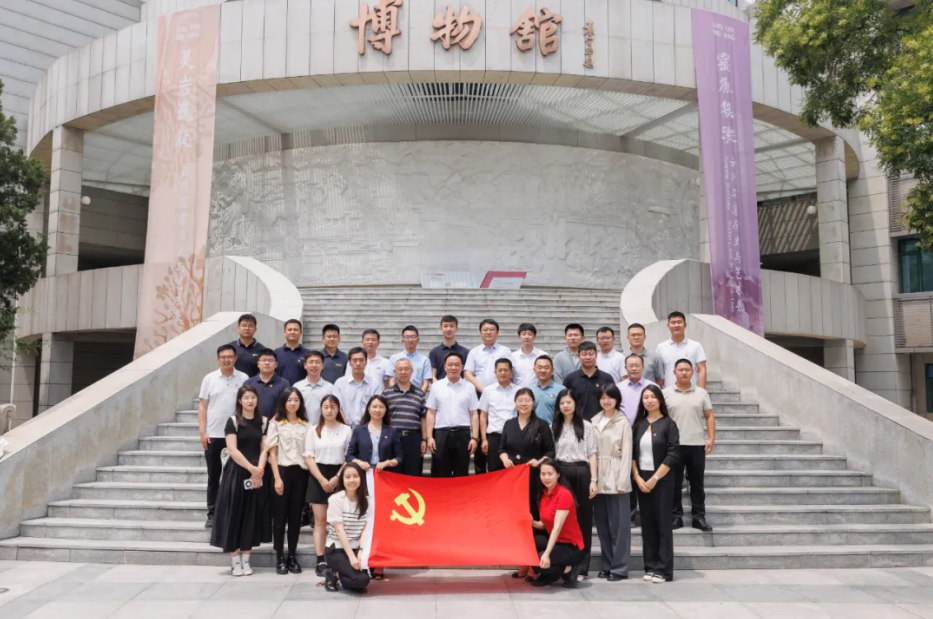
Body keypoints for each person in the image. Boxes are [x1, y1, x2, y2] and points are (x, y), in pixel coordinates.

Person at [209, 385, 271, 576]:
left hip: (257, 473)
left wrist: (259, 471)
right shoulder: (233, 421)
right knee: (234, 513)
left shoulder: (263, 421)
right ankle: (235, 560)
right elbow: (232, 450)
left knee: (251, 515)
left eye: (253, 397)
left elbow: (264, 449)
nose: (250, 401)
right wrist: (251, 468)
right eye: (246, 398)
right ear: (240, 401)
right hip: (236, 473)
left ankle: (246, 559)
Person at [632, 384, 679, 583]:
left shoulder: (668, 424)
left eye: (653, 397)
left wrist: (654, 479)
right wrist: (637, 477)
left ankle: (664, 569)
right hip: (642, 480)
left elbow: (673, 455)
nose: (649, 400)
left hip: (662, 480)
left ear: (660, 400)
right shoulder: (638, 424)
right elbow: (633, 454)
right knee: (647, 524)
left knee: (662, 524)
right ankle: (650, 566)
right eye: (646, 397)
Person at [198, 344, 248, 528]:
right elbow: (203, 406)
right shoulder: (209, 378)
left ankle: (235, 511)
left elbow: (247, 404)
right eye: (223, 357)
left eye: (230, 357)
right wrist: (203, 432)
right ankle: (212, 514)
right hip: (214, 434)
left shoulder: (244, 378)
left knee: (238, 475)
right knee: (214, 476)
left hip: (236, 434)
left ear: (235, 358)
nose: (227, 360)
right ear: (218, 359)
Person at [664, 359, 716, 532]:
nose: (684, 372)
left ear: (693, 372)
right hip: (674, 445)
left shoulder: (701, 393)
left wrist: (711, 438)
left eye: (687, 369)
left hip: (696, 445)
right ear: (674, 372)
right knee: (674, 483)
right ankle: (675, 517)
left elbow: (709, 416)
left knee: (697, 483)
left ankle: (698, 517)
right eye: (680, 370)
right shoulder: (665, 393)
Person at [551, 390, 597, 579]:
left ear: (575, 404)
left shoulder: (587, 426)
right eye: (562, 403)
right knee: (563, 520)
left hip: (582, 472)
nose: (565, 406)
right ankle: (563, 563)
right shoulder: (553, 426)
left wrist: (594, 480)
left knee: (583, 520)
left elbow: (592, 454)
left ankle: (582, 567)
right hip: (561, 474)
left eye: (569, 402)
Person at [304, 394, 352, 577]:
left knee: (340, 520)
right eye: (326, 407)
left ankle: (341, 556)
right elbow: (309, 457)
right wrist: (322, 479)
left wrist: (337, 478)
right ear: (321, 409)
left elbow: (349, 457)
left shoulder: (346, 430)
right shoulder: (313, 430)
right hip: (318, 476)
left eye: (333, 407)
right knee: (320, 521)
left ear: (338, 409)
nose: (329, 410)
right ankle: (320, 560)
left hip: (340, 476)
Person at [592, 383, 633, 581]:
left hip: (616, 475)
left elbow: (627, 453)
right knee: (602, 525)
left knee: (619, 526)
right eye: (602, 397)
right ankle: (607, 564)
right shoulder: (594, 420)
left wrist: (623, 481)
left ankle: (620, 568)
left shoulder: (623, 422)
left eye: (610, 397)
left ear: (617, 399)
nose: (606, 401)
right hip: (598, 477)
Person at [267, 388, 310, 575]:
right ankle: (279, 556)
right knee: (279, 518)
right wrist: (277, 478)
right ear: (283, 403)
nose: (293, 403)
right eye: (289, 400)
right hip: (282, 473)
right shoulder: (276, 425)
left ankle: (292, 555)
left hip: (300, 474)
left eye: (296, 400)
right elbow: (272, 454)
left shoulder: (306, 426)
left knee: (295, 518)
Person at [500, 388, 555, 518]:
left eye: (527, 400)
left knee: (533, 506)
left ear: (533, 403)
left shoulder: (542, 425)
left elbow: (550, 451)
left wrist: (539, 461)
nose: (523, 404)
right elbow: (502, 449)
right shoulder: (509, 424)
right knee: (513, 506)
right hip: (513, 474)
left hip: (534, 474)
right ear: (515, 403)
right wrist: (505, 459)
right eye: (520, 400)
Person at [530, 461, 586, 588]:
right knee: (530, 546)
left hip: (572, 546)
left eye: (550, 474)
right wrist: (531, 522)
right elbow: (544, 524)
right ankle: (551, 573)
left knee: (537, 561)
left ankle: (569, 569)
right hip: (557, 542)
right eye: (543, 474)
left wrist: (547, 554)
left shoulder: (564, 494)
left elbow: (556, 528)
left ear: (558, 474)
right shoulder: (544, 494)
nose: (546, 477)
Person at [465, 319, 511, 474]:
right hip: (480, 394)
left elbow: (509, 371)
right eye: (485, 329)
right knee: (480, 431)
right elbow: (468, 374)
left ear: (497, 332)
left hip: (502, 393)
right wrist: (485, 390)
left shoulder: (505, 351)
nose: (488, 332)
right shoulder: (474, 352)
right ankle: (480, 472)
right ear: (480, 332)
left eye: (492, 329)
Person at [616, 354, 656, 526]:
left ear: (643, 367)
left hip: (648, 435)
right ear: (625, 368)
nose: (633, 368)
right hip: (625, 437)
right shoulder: (618, 388)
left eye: (637, 365)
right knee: (628, 475)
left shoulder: (652, 387)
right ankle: (630, 515)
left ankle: (649, 515)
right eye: (630, 365)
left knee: (647, 472)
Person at [426, 352, 479, 478]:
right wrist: (429, 437)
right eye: (450, 364)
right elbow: (431, 413)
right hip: (441, 434)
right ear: (445, 367)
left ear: (462, 367)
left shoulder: (469, 387)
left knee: (461, 472)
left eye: (456, 365)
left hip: (463, 434)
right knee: (440, 472)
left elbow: (474, 414)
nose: (453, 367)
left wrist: (475, 438)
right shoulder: (436, 387)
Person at [323, 462, 372, 593]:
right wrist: (351, 557)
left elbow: (365, 530)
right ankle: (333, 573)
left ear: (361, 478)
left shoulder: (367, 501)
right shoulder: (336, 499)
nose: (352, 480)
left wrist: (361, 551)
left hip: (356, 547)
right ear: (342, 480)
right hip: (336, 549)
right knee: (361, 580)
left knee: (365, 578)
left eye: (355, 476)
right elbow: (340, 531)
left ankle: (341, 574)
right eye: (348, 477)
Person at [383, 358, 427, 476]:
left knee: (413, 473)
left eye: (406, 369)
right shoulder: (387, 393)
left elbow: (423, 418)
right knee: (393, 473)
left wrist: (424, 440)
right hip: (392, 438)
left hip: (413, 439)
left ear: (412, 371)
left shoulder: (419, 393)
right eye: (400, 369)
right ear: (395, 372)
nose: (403, 372)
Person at [478, 359, 519, 473]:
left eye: (506, 370)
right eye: (500, 370)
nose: (503, 373)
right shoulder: (488, 391)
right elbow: (483, 416)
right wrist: (484, 439)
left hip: (513, 437)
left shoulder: (519, 391)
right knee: (494, 471)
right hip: (494, 437)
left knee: (513, 470)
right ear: (495, 372)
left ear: (511, 372)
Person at [347, 394, 403, 474]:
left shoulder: (392, 431)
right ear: (368, 409)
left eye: (381, 407)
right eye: (374, 406)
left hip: (385, 474)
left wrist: (387, 462)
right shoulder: (358, 431)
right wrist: (359, 462)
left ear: (386, 410)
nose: (377, 410)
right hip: (364, 474)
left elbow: (399, 457)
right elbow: (349, 456)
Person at [562, 342, 615, 421]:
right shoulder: (570, 379)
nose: (587, 357)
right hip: (578, 423)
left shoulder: (607, 378)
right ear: (579, 356)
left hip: (602, 422)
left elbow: (613, 401)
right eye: (584, 354)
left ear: (596, 355)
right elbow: (565, 401)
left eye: (591, 354)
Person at [654, 311, 707, 389]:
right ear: (668, 326)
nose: (676, 325)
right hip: (668, 392)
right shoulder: (661, 347)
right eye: (673, 323)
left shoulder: (696, 346)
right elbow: (658, 373)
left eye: (679, 322)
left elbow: (702, 369)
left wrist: (702, 392)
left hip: (691, 392)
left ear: (685, 325)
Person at [332, 347, 382, 426]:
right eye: (354, 360)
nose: (358, 363)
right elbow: (336, 405)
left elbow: (377, 406)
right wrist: (345, 424)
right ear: (350, 362)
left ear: (366, 362)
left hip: (367, 427)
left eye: (361, 360)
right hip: (344, 427)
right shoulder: (340, 383)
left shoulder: (374, 383)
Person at [244, 349, 290, 419]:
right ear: (258, 364)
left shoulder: (284, 383)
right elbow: (244, 405)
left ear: (276, 364)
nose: (267, 363)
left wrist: (275, 421)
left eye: (270, 360)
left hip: (276, 423)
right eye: (263, 360)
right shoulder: (249, 383)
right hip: (253, 423)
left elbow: (287, 405)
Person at [386, 326, 433, 392]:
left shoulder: (425, 360)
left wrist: (418, 396)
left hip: (417, 395)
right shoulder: (394, 358)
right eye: (407, 337)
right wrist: (397, 395)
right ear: (402, 340)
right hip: (398, 395)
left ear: (418, 340)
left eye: (413, 337)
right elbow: (391, 381)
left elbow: (426, 384)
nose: (410, 340)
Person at [293, 351, 334, 424]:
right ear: (305, 365)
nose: (314, 365)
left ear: (322, 365)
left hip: (322, 428)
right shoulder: (297, 386)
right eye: (311, 362)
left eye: (317, 362)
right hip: (301, 427)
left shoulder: (330, 387)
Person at [429, 315, 469, 382]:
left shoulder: (464, 352)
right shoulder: (434, 352)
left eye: (452, 326)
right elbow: (433, 376)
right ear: (441, 328)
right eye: (445, 326)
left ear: (456, 328)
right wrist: (439, 386)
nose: (448, 329)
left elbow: (466, 375)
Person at [510, 323, 548, 387]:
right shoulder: (513, 356)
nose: (526, 337)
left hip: (538, 390)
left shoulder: (542, 355)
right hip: (518, 391)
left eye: (530, 334)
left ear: (534, 337)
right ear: (519, 336)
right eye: (523, 334)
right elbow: (510, 377)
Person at [275, 319, 311, 386]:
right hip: (281, 390)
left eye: (295, 330)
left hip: (301, 390)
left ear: (301, 332)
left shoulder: (308, 354)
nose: (292, 332)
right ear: (284, 332)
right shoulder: (276, 353)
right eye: (289, 330)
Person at [530, 355, 563, 424]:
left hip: (553, 429)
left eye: (546, 367)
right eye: (539, 367)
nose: (543, 370)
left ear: (552, 370)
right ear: (534, 370)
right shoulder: (529, 390)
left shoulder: (561, 390)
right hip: (532, 429)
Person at [231, 314, 265, 378]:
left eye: (250, 326)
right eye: (244, 325)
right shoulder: (230, 348)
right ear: (238, 328)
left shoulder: (262, 350)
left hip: (254, 383)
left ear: (255, 329)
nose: (247, 328)